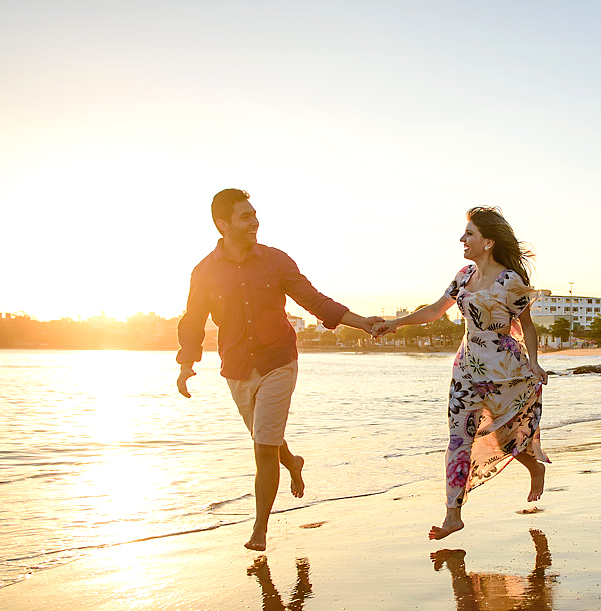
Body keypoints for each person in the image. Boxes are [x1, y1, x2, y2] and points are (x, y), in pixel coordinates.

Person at [176, 189, 381, 551]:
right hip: (236, 367)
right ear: (223, 224)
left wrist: (361, 322)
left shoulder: (276, 261)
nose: (254, 222)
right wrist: (186, 363)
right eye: (245, 216)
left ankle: (259, 530)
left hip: (278, 362)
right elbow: (193, 321)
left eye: (254, 214)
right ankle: (294, 463)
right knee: (264, 439)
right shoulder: (204, 271)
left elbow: (314, 300)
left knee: (262, 449)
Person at [373, 206, 549, 539]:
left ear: (488, 242)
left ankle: (534, 467)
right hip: (466, 371)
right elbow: (434, 310)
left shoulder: (510, 281)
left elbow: (526, 325)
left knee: (505, 438)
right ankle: (452, 516)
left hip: (505, 373)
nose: (462, 239)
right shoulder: (464, 275)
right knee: (458, 441)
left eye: (469, 234)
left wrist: (535, 363)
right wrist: (396, 323)